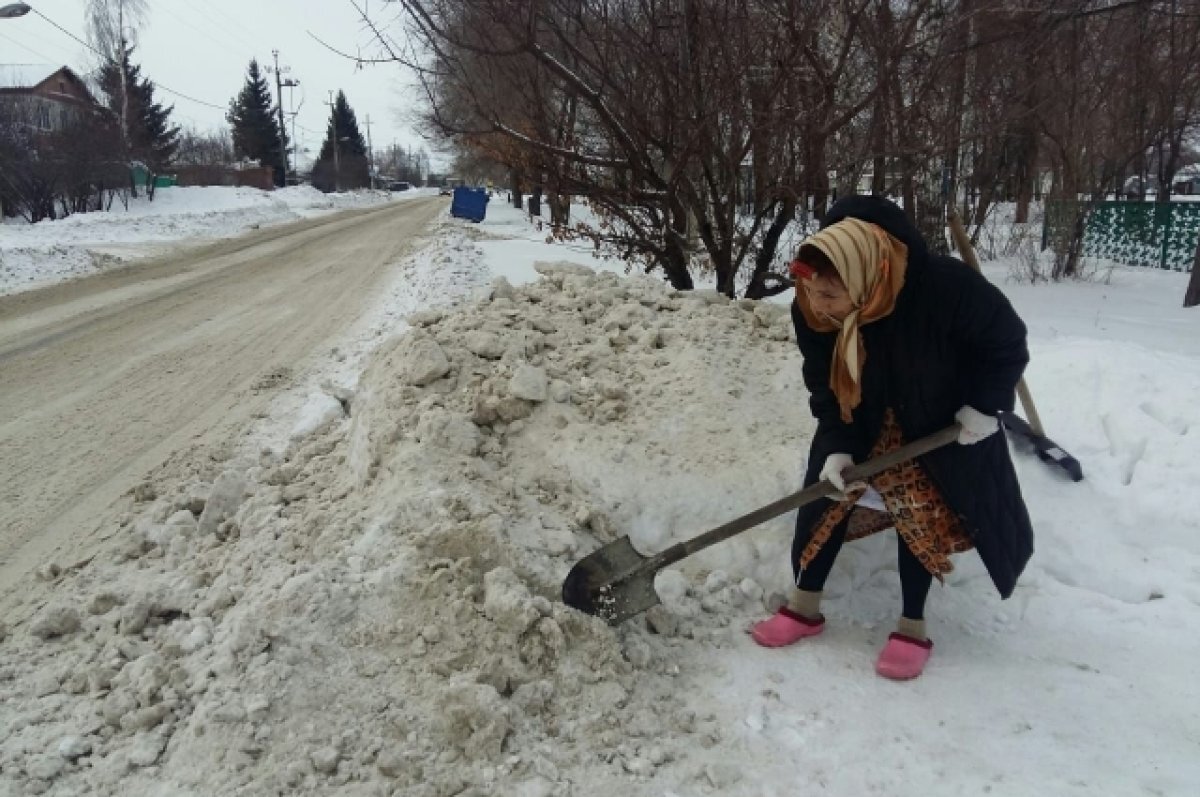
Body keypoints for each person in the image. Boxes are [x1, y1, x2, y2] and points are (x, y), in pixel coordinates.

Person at [751, 195, 1034, 680]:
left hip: (936, 417)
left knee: (917, 510)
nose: (820, 308)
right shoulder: (813, 305)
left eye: (831, 297)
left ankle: (912, 625)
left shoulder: (944, 288)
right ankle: (803, 607)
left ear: (866, 278)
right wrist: (837, 440)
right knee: (825, 500)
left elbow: (1006, 340)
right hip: (856, 413)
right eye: (812, 293)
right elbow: (823, 375)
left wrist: (986, 407)